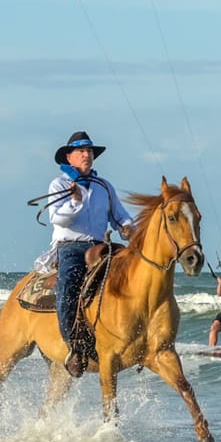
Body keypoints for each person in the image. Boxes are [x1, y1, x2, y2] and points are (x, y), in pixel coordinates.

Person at [46, 131, 134, 366]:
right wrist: (75, 200)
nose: (87, 155)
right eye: (81, 151)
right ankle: (74, 346)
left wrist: (128, 228)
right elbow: (57, 218)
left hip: (100, 246)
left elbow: (120, 216)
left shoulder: (104, 186)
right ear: (69, 157)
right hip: (71, 247)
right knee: (68, 290)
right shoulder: (60, 184)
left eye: (90, 151)